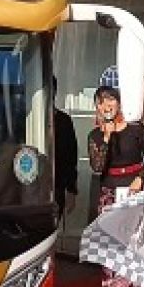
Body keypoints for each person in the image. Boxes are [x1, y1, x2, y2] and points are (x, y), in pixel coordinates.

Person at [87, 85, 144, 287]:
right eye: (102, 102)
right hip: (108, 194)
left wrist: (141, 177)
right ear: (97, 107)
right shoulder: (95, 135)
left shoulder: (136, 130)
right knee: (110, 253)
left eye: (111, 101)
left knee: (133, 252)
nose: (107, 106)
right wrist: (106, 138)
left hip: (134, 193)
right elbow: (97, 166)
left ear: (119, 104)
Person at [52, 77, 78, 221]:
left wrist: (72, 189)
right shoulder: (24, 119)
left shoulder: (64, 121)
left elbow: (71, 157)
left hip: (57, 185)